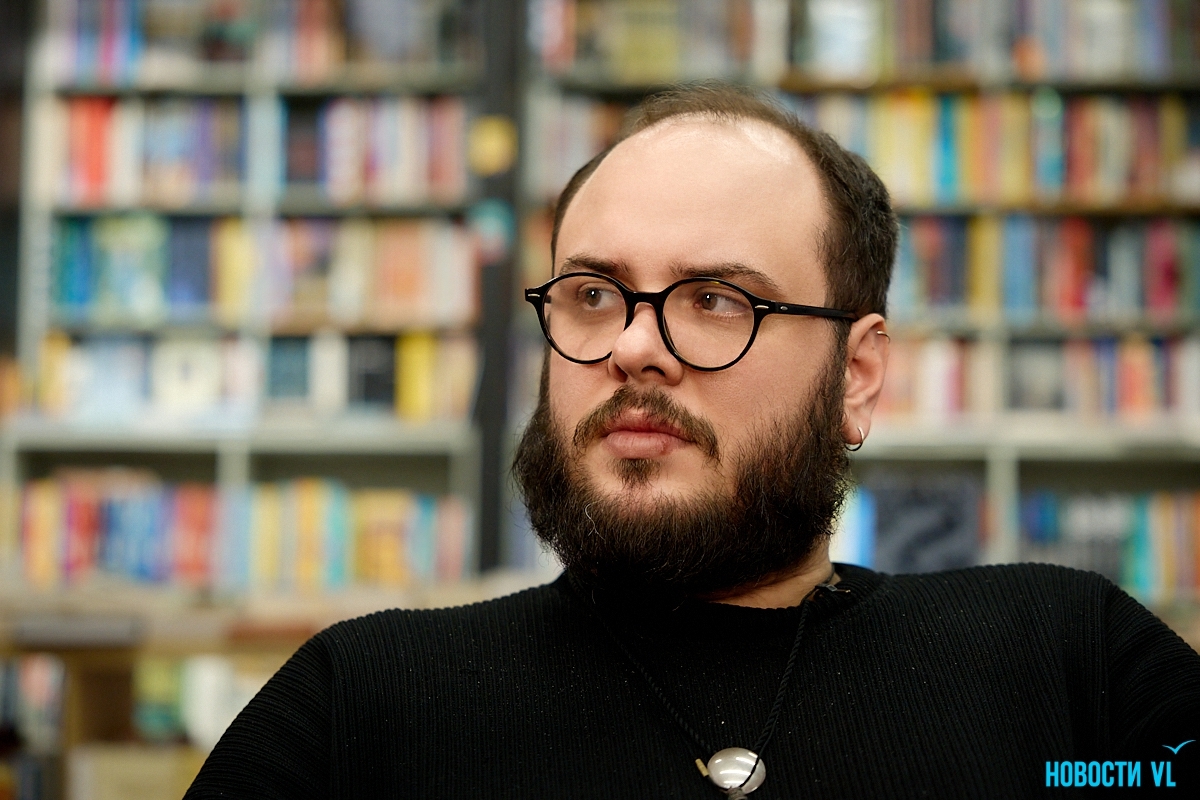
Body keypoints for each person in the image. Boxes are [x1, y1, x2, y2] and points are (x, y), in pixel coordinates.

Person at [185, 82, 1200, 799]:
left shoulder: (1067, 669)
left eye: (716, 300)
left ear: (856, 376)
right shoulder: (365, 706)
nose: (633, 346)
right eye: (593, 294)